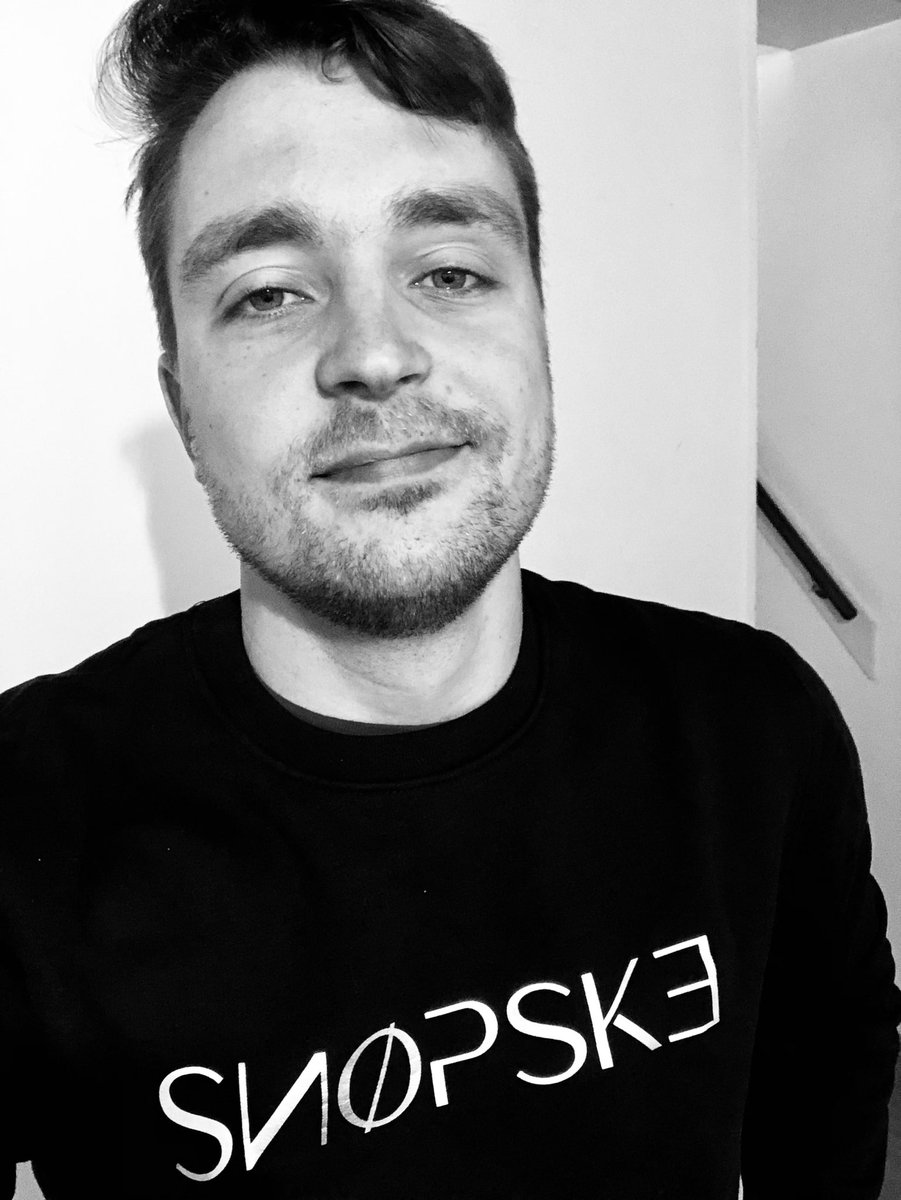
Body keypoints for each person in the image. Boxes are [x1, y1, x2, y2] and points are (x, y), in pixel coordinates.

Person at [1, 0, 899, 1195]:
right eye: (268, 293)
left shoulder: (753, 725)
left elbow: (830, 1094)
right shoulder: (24, 816)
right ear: (183, 404)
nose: (375, 354)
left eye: (451, 271)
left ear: (539, 337)